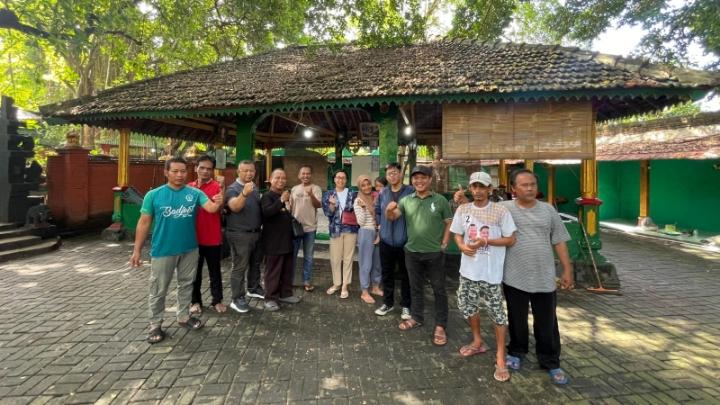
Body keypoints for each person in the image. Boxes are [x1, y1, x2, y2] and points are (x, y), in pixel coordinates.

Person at [130, 156, 223, 344]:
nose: (180, 175)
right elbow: (144, 222)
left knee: (186, 284)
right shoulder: (154, 195)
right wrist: (136, 250)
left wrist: (220, 199)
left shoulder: (195, 193)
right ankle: (155, 324)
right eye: (175, 171)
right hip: (162, 250)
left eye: (182, 171)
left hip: (189, 248)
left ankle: (183, 317)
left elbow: (212, 209)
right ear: (166, 172)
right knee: (158, 288)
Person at [501, 169, 574, 385]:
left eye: (532, 184)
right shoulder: (504, 209)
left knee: (547, 321)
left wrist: (566, 270)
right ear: (513, 189)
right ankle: (516, 351)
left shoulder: (548, 210)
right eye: (524, 185)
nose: (530, 188)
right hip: (515, 274)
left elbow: (559, 240)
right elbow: (480, 211)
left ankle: (550, 361)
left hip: (544, 275)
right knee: (516, 318)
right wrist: (463, 200)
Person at [450, 172, 516, 382]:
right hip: (468, 271)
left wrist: (486, 242)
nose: (478, 191)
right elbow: (457, 234)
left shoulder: (500, 211)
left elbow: (511, 239)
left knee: (497, 314)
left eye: (482, 187)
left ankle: (500, 357)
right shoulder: (463, 209)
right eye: (474, 187)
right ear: (470, 188)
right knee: (469, 307)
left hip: (491, 273)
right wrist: (461, 246)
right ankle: (477, 341)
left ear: (490, 189)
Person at [386, 165, 452, 346]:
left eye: (423, 178)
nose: (419, 181)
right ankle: (416, 317)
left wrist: (444, 243)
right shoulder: (406, 200)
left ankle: (440, 325)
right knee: (415, 288)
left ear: (430, 180)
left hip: (434, 254)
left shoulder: (440, 201)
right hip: (412, 252)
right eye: (416, 178)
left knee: (439, 290)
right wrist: (388, 210)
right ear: (412, 180)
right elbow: (393, 217)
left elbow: (448, 223)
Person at [374, 163, 414, 319]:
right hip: (386, 240)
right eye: (389, 174)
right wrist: (379, 226)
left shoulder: (410, 191)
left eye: (395, 173)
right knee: (387, 273)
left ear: (400, 174)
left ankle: (406, 305)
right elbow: (377, 210)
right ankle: (388, 303)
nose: (392, 176)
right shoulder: (383, 192)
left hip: (404, 240)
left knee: (406, 274)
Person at [225, 160, 265, 314]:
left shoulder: (254, 188)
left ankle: (253, 288)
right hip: (239, 234)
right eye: (245, 170)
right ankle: (237, 298)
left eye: (252, 171)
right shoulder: (233, 189)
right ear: (238, 172)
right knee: (240, 267)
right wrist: (244, 193)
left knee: (255, 263)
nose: (249, 173)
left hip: (255, 233)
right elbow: (234, 206)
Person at [260, 169, 302, 311]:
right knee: (273, 271)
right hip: (273, 242)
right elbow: (267, 213)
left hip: (286, 240)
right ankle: (270, 298)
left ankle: (285, 293)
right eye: (277, 178)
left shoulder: (285, 196)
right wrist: (281, 201)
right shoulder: (267, 196)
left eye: (283, 178)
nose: (281, 180)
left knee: (286, 269)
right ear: (270, 179)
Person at [189, 155, 225, 315]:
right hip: (192, 238)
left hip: (212, 237)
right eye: (202, 167)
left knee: (214, 271)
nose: (205, 171)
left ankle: (217, 300)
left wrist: (221, 198)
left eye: (209, 169)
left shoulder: (217, 187)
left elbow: (220, 207)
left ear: (212, 171)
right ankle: (195, 301)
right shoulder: (188, 188)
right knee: (194, 272)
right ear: (196, 168)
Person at [321, 169, 359, 299]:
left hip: (350, 230)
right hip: (335, 230)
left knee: (348, 258)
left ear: (346, 180)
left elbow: (358, 210)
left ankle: (345, 286)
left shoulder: (353, 194)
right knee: (335, 258)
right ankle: (336, 283)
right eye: (338, 177)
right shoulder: (328, 194)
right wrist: (332, 205)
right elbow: (327, 214)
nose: (340, 180)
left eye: (343, 177)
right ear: (334, 179)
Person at [290, 165, 322, 292]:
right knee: (292, 255)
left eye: (308, 173)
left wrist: (311, 195)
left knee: (308, 256)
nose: (305, 176)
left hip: (310, 228)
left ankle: (306, 281)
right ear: (299, 175)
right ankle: (290, 280)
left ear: (311, 175)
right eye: (303, 173)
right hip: (295, 228)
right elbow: (291, 207)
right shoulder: (294, 189)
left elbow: (318, 205)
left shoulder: (316, 188)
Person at [354, 174, 383, 304]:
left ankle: (375, 287)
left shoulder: (374, 197)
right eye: (363, 185)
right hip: (366, 232)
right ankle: (364, 291)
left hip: (377, 233)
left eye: (368, 184)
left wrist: (379, 233)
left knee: (377, 262)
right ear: (359, 187)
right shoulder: (358, 200)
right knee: (366, 263)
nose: (366, 187)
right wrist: (364, 207)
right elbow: (360, 222)